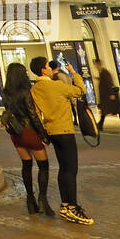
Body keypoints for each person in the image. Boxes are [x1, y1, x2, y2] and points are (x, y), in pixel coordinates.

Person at [29, 56, 93, 226]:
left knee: (63, 168)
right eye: (48, 67)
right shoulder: (56, 86)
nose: (51, 69)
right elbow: (80, 90)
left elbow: (35, 114)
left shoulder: (35, 89)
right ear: (43, 70)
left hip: (51, 132)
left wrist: (43, 134)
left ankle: (65, 204)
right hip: (64, 130)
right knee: (71, 169)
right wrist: (73, 72)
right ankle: (73, 207)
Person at [0, 62, 54, 216]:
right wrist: (43, 134)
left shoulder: (5, 93)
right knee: (43, 165)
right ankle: (42, 199)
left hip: (15, 133)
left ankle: (30, 201)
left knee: (26, 165)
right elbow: (33, 115)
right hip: (29, 131)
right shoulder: (25, 92)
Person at [94, 59, 120, 133]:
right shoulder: (102, 73)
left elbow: (109, 83)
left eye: (96, 65)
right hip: (107, 97)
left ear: (99, 64)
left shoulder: (105, 73)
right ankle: (100, 125)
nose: (96, 67)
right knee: (106, 111)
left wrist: (112, 94)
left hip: (110, 96)